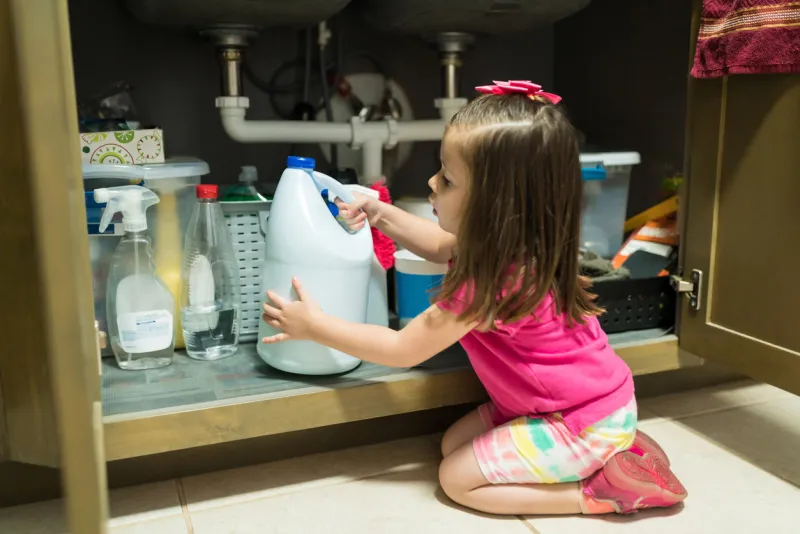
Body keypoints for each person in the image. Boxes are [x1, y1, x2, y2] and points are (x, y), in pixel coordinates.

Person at [261, 80, 687, 516]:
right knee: (451, 444)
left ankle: (599, 491)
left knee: (458, 480)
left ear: (495, 206)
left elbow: (402, 349)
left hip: (575, 421)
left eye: (446, 178)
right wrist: (380, 214)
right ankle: (617, 447)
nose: (431, 181)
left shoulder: (489, 283)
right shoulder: (515, 246)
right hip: (586, 404)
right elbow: (440, 245)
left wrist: (313, 325)